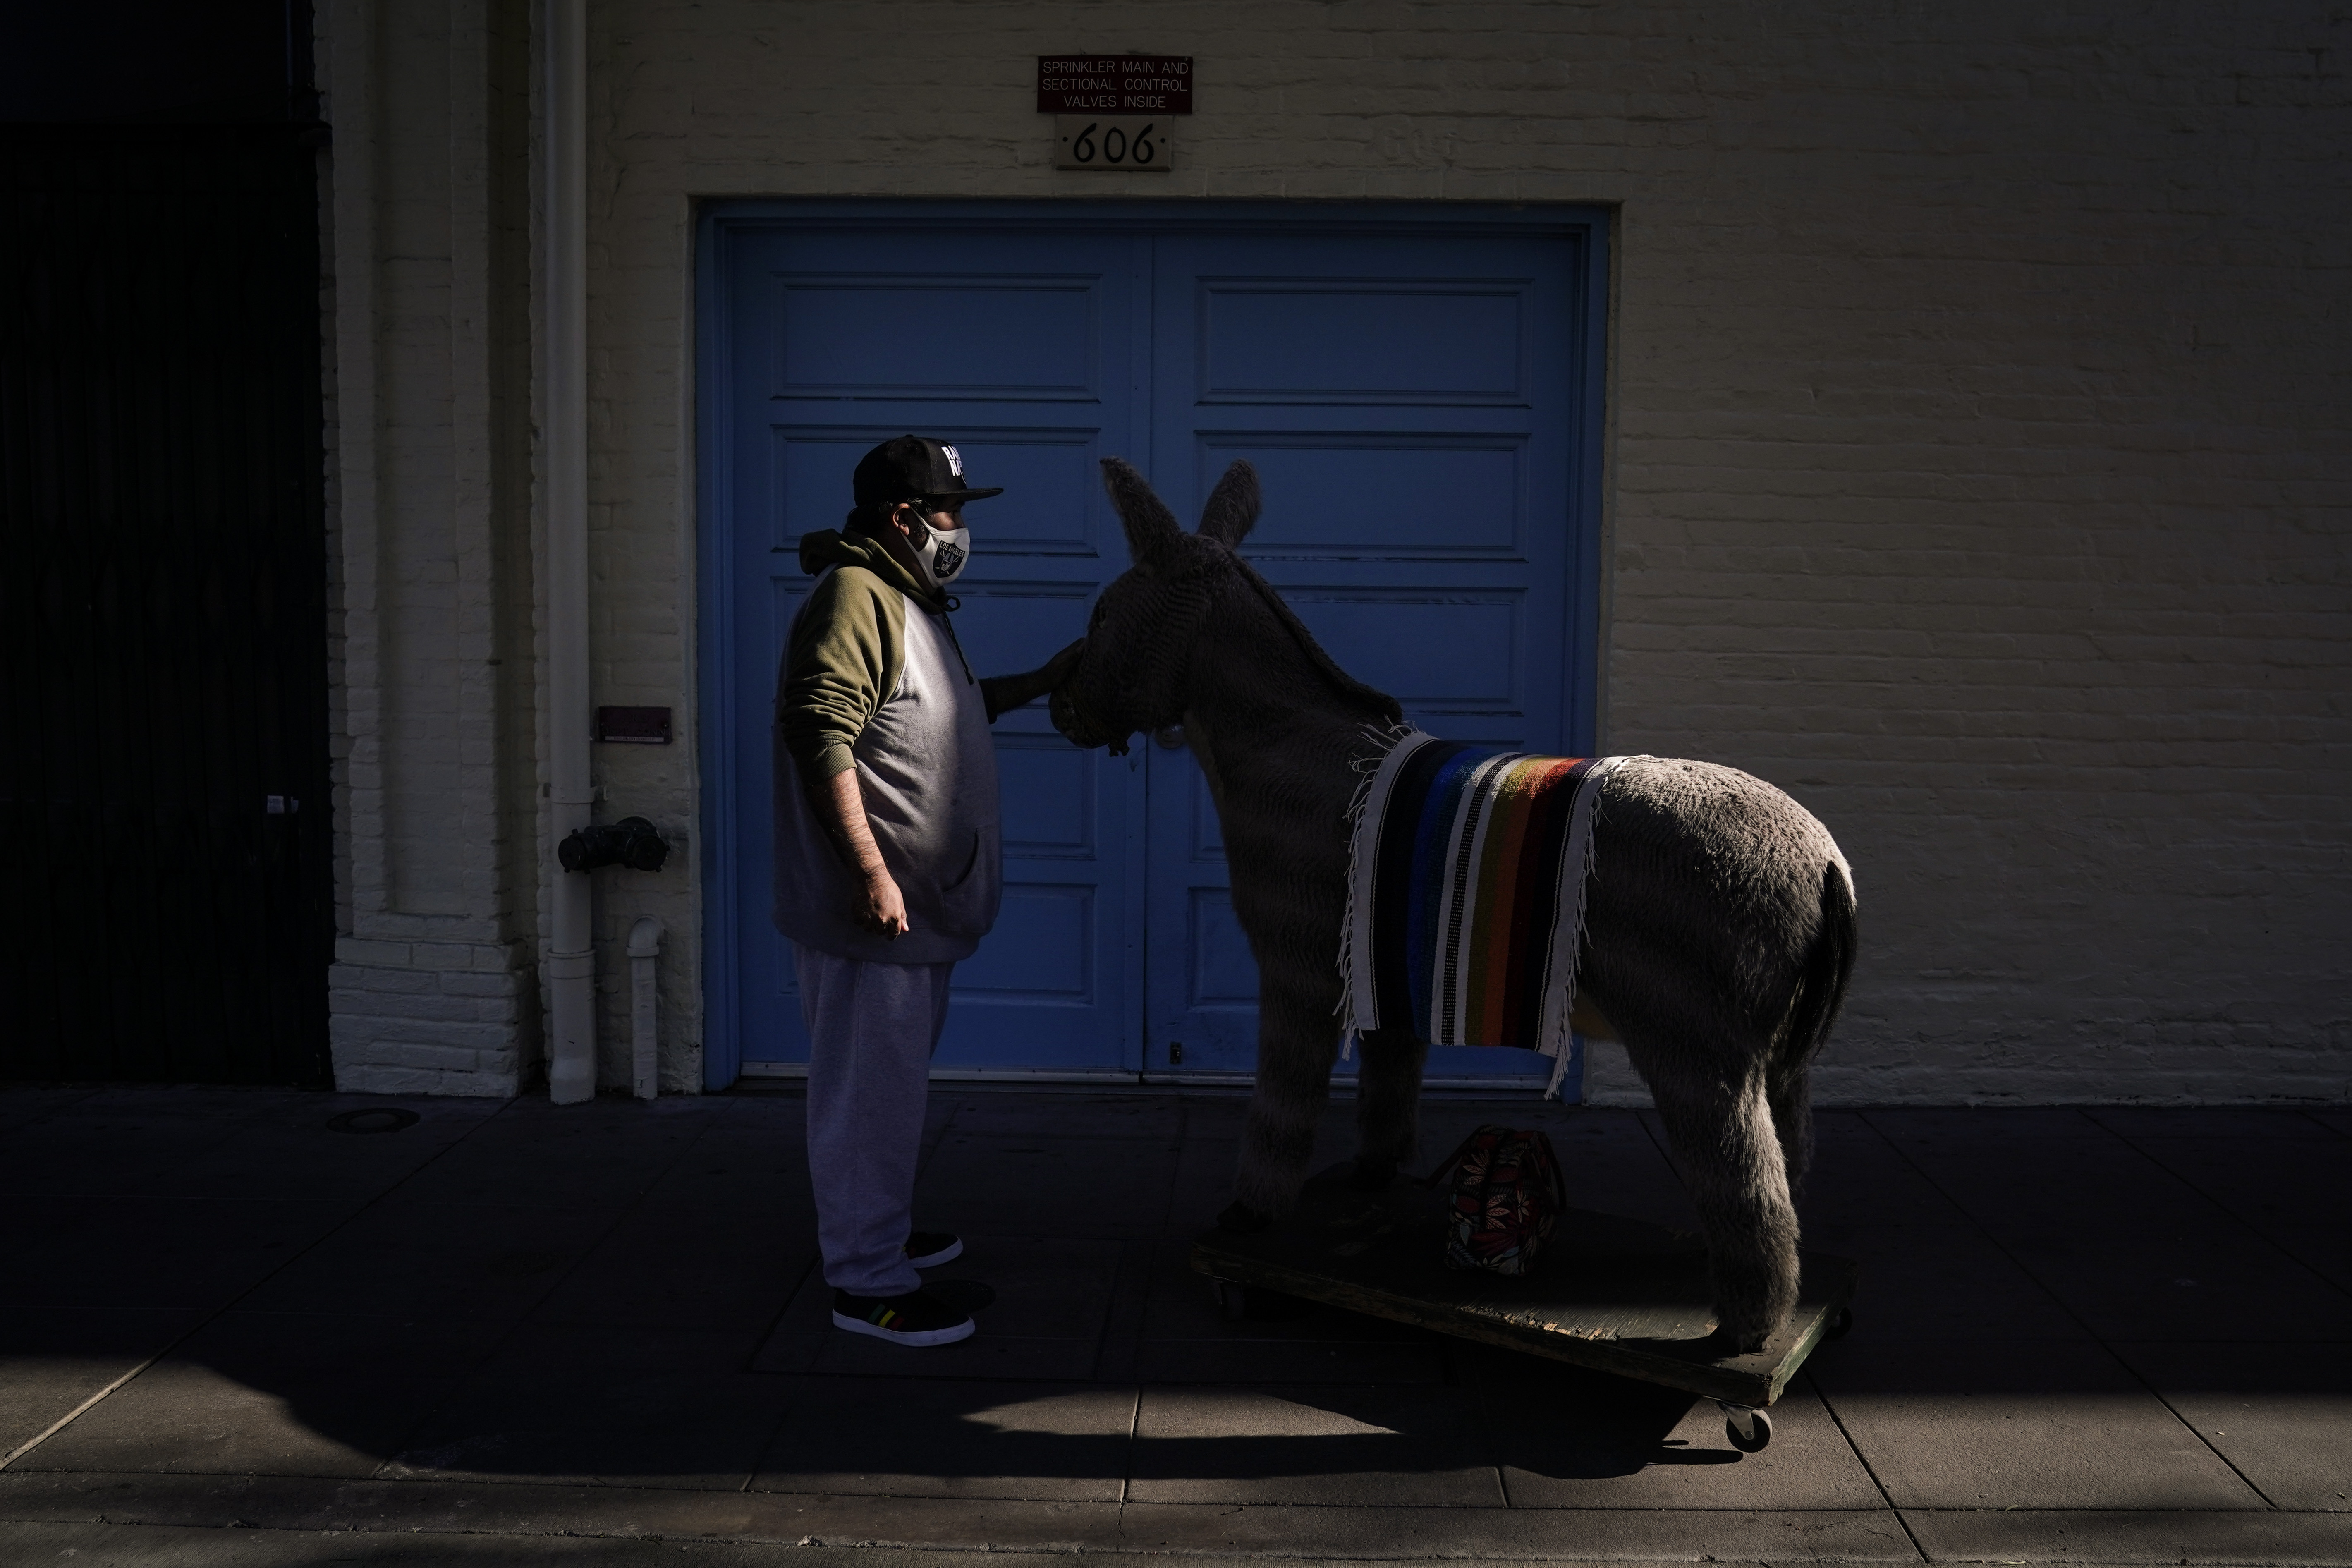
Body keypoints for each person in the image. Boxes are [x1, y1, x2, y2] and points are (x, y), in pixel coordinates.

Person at [773, 434, 1077, 1347]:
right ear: (904, 517)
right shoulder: (855, 597)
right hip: (877, 913)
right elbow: (818, 729)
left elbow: (936, 714)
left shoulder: (907, 599)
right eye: (952, 510)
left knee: (890, 1089)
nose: (962, 527)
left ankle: (880, 1230)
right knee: (867, 1096)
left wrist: (1039, 683)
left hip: (916, 909)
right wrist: (869, 871)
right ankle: (867, 1285)